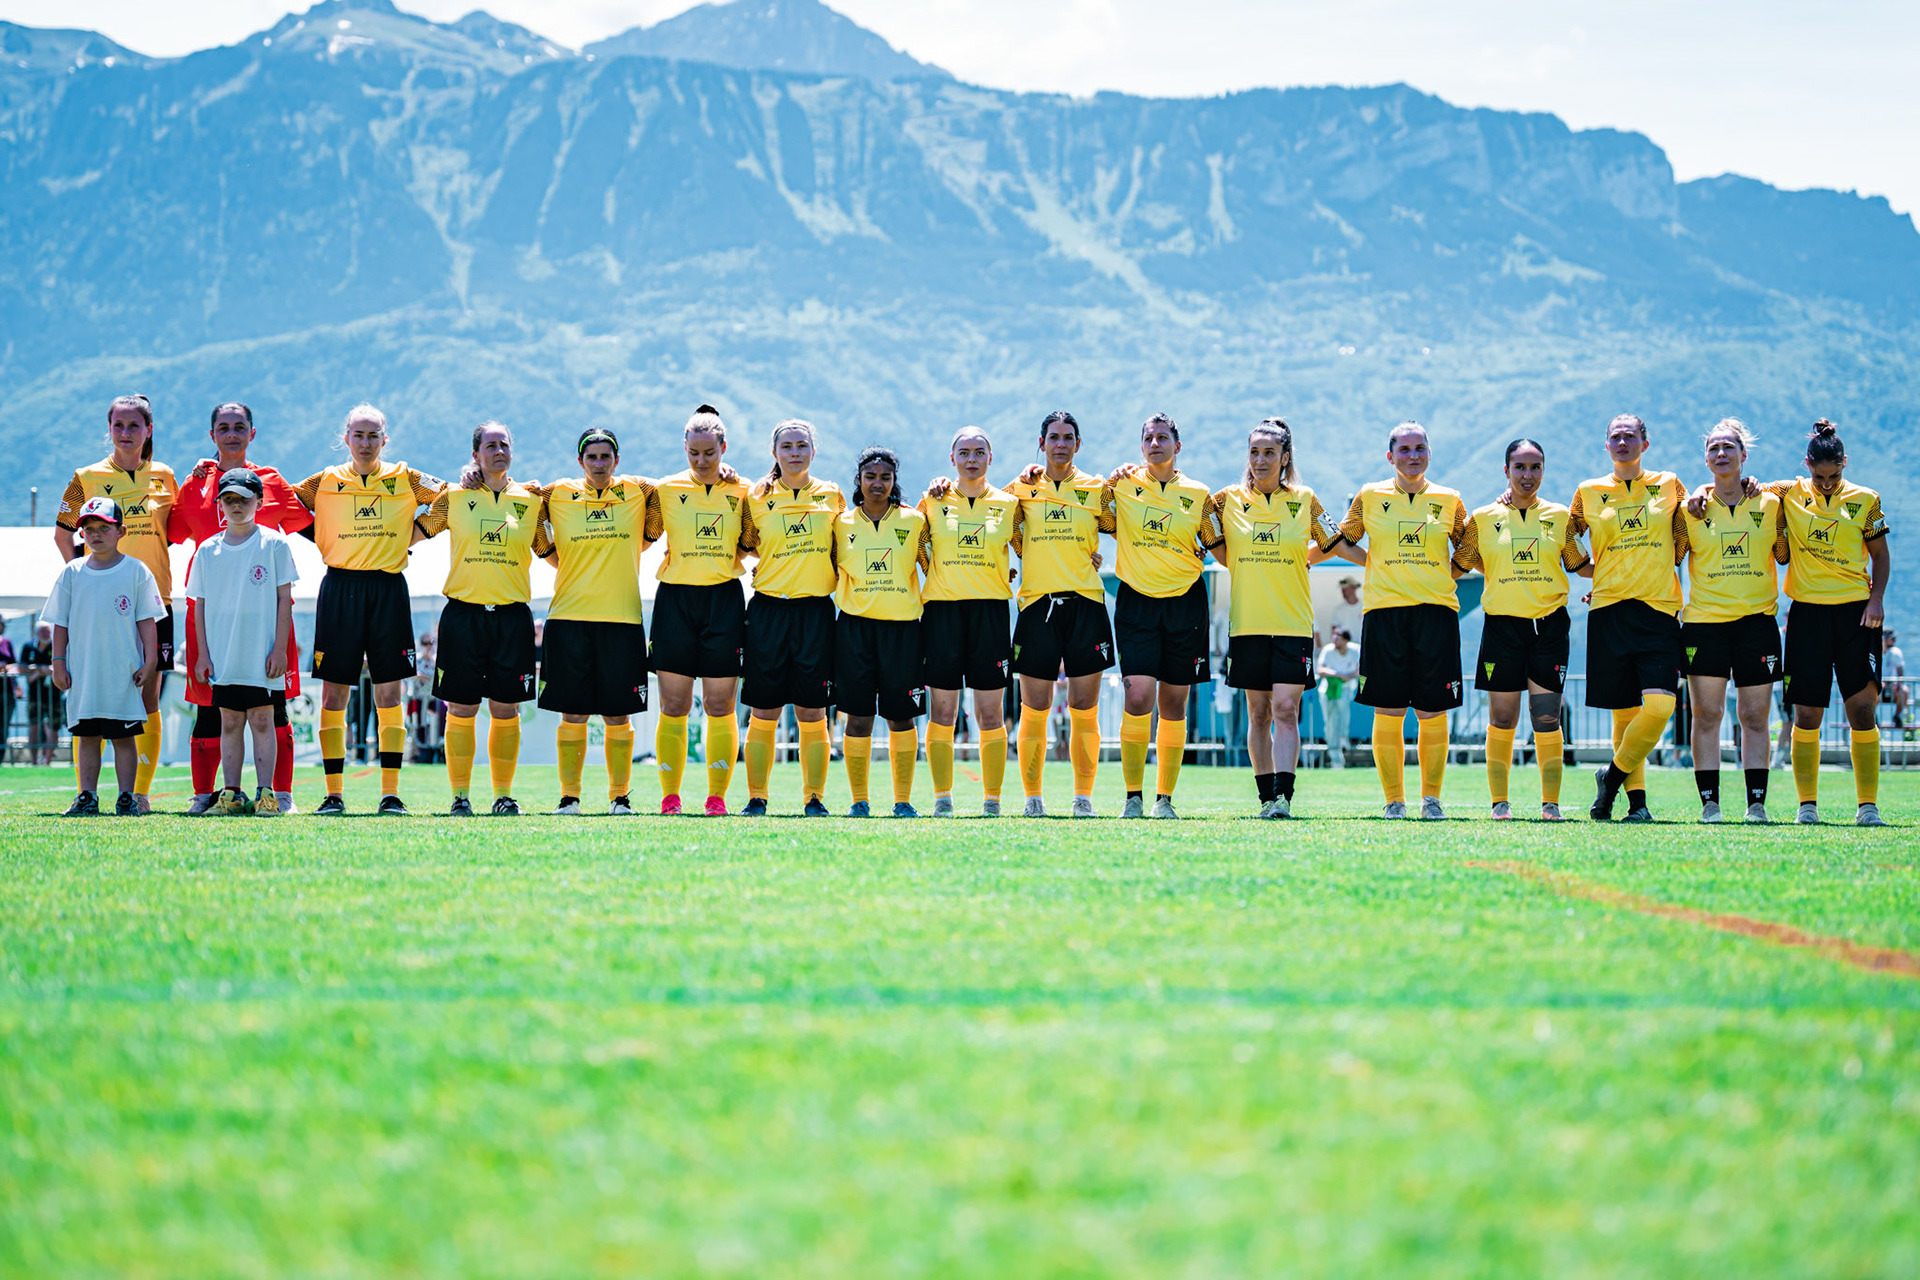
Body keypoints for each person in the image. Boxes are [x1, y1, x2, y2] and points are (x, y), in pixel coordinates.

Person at [1699, 420, 1890, 825]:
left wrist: (1876, 600)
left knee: (1862, 711)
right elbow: (1732, 486)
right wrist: (1701, 491)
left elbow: (1880, 555)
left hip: (1856, 613)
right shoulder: (1786, 491)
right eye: (1818, 475)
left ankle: (1868, 806)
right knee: (1806, 715)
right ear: (1806, 466)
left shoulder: (1866, 499)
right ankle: (1807, 806)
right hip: (1805, 614)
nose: (1824, 483)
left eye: (1833, 475)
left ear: (1844, 464)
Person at [294, 404, 447, 815]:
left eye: (373, 435)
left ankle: (391, 793)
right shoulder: (325, 481)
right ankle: (333, 794)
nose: (365, 443)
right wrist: (323, 537)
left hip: (388, 588)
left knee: (389, 692)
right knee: (333, 695)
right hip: (339, 586)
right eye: (358, 435)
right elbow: (287, 505)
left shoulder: (406, 477)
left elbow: (450, 500)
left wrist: (412, 536)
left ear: (385, 440)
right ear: (345, 439)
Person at [168, 402, 313, 815]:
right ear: (211, 434)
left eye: (239, 427)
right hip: (210, 615)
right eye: (223, 427)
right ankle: (208, 794)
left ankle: (278, 795)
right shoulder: (193, 484)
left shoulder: (271, 481)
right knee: (210, 708)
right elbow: (164, 532)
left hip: (266, 619)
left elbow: (316, 527)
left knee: (274, 711)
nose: (231, 434)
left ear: (253, 433)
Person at [1325, 421, 1474, 819]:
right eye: (1404, 449)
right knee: (1387, 710)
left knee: (1432, 711)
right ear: (1390, 457)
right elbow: (1342, 538)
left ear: (1429, 453)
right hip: (1384, 613)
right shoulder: (1370, 496)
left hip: (1436, 613)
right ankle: (1394, 800)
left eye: (1420, 448)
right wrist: (1371, 560)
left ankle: (1431, 799)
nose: (1413, 455)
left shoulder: (1450, 500)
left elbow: (1472, 544)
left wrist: (1448, 573)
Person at [1084, 413, 1218, 820]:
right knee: (1139, 696)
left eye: (1163, 438)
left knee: (1175, 704)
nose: (1155, 443)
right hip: (1136, 602)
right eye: (1148, 438)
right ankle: (1133, 797)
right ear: (1140, 447)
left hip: (1186, 602)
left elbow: (1215, 540)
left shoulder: (1199, 493)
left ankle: (1164, 799)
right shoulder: (1123, 484)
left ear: (1178, 446)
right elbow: (1092, 516)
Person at [1205, 418, 1339, 817]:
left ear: (1285, 458)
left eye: (1269, 453)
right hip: (1247, 623)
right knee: (1258, 712)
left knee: (1285, 709)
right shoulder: (1225, 499)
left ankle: (1283, 797)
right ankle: (1265, 797)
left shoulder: (1304, 499)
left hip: (1293, 623)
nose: (1260, 460)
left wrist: (1306, 558)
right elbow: (1200, 529)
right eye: (1254, 452)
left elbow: (1332, 541)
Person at [1456, 439, 1591, 821]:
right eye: (1520, 467)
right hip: (1502, 628)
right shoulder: (1483, 518)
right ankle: (1500, 803)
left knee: (1547, 717)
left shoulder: (1561, 517)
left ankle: (1551, 805)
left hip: (1549, 627)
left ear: (1544, 470)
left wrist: (1620, 580)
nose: (1527, 475)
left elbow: (1580, 565)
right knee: (1502, 719)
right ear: (1506, 471)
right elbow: (1458, 565)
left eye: (1535, 467)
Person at [55, 394, 177, 811]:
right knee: (88, 700)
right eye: (118, 425)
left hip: (156, 601)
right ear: (109, 430)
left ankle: (137, 794)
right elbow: (61, 534)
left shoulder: (166, 475)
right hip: (98, 610)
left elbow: (176, 531)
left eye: (133, 426)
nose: (125, 433)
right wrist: (88, 582)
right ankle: (86, 793)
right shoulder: (83, 477)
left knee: (146, 701)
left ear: (149, 430)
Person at [417, 422, 544, 817]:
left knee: (506, 710)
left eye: (504, 444)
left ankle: (503, 795)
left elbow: (550, 549)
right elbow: (415, 532)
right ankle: (460, 797)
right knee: (461, 709)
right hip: (463, 615)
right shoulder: (454, 495)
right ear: (475, 455)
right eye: (490, 445)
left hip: (512, 616)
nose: (498, 450)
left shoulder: (533, 499)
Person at [534, 428, 658, 816]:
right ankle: (569, 797)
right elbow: (518, 501)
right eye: (592, 457)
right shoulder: (557, 493)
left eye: (607, 457)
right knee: (573, 713)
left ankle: (619, 798)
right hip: (569, 617)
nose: (600, 464)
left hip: (621, 619)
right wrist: (555, 557)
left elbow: (674, 488)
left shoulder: (638, 490)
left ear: (617, 460)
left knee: (617, 714)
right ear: (580, 461)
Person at [1572, 413, 1689, 823]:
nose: (1623, 443)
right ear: (1607, 445)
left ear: (1645, 443)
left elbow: (1691, 521)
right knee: (1623, 713)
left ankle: (1611, 776)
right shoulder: (1587, 491)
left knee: (1659, 706)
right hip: (1608, 610)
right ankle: (1634, 805)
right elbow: (1563, 534)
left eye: (1631, 436)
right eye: (1616, 437)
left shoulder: (1670, 483)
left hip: (1658, 609)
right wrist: (1592, 570)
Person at [1677, 419, 1788, 824]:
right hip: (1704, 623)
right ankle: (1710, 804)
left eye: (1729, 447)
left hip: (1756, 624)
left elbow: (1786, 551)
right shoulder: (1689, 509)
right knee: (1707, 715)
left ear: (1744, 456)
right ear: (1705, 459)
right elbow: (1661, 556)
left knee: (1755, 717)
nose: (1721, 454)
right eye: (1714, 448)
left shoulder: (1771, 502)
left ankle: (1756, 804)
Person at [1006, 411, 1116, 818]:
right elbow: (985, 512)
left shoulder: (1097, 488)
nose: (1061, 444)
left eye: (1068, 437)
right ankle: (1032, 797)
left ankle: (1083, 798)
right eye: (1053, 437)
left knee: (1083, 708)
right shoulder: (1020, 487)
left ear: (1078, 444)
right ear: (1041, 443)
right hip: (1037, 605)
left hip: (1087, 602)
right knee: (1033, 707)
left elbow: (1129, 528)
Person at [739, 420, 845, 817]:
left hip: (815, 611)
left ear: (813, 452)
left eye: (802, 446)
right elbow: (746, 546)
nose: (795, 453)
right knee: (764, 709)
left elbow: (847, 544)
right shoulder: (756, 495)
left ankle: (814, 797)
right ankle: (757, 797)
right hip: (768, 609)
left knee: (812, 710)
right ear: (775, 454)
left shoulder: (832, 495)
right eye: (787, 446)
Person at [649, 406, 751, 816]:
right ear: (684, 449)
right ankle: (670, 797)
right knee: (673, 705)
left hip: (723, 599)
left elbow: (754, 538)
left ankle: (716, 797)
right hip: (675, 600)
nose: (702, 461)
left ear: (724, 448)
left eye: (710, 452)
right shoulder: (663, 489)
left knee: (719, 705)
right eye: (694, 453)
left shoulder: (744, 489)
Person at [917, 427, 1021, 816]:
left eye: (979, 452)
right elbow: (917, 550)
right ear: (952, 459)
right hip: (942, 612)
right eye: (964, 452)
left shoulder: (1010, 504)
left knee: (990, 713)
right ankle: (942, 798)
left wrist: (1089, 558)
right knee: (942, 712)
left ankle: (992, 801)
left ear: (990, 458)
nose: (972, 459)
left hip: (990, 612)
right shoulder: (933, 500)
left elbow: (1034, 545)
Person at [186, 470, 299, 816]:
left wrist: (280, 649)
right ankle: (232, 794)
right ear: (219, 504)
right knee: (230, 723)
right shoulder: (207, 550)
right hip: (224, 656)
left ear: (259, 502)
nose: (236, 506)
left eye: (244, 499)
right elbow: (199, 605)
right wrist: (203, 655)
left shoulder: (274, 544)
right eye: (229, 500)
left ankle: (267, 795)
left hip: (262, 656)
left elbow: (284, 599)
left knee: (264, 721)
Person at [44, 498, 165, 816]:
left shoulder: (136, 570)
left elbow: (147, 621)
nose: (95, 534)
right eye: (89, 529)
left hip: (122, 670)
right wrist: (58, 662)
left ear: (121, 531)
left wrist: (150, 660)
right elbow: (61, 621)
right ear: (81, 534)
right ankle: (87, 795)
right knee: (87, 736)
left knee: (123, 737)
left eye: (103, 528)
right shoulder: (72, 572)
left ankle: (127, 796)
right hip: (84, 671)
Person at [834, 447, 932, 817]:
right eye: (871, 476)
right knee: (858, 717)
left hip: (903, 631)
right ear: (858, 480)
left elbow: (935, 562)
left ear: (895, 481)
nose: (878, 483)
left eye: (885, 477)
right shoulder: (841, 523)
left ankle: (903, 801)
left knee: (901, 717)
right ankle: (859, 800)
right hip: (854, 631)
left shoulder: (914, 521)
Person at [1316, 628, 1360, 767]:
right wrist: (1338, 675)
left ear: (1346, 640)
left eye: (1338, 636)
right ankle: (1333, 750)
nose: (1334, 639)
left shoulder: (1355, 650)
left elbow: (1361, 669)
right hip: (1327, 691)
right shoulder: (1328, 650)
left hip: (1346, 690)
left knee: (1343, 718)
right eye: (1333, 635)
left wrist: (1349, 676)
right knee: (1329, 721)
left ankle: (1342, 744)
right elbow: (1320, 669)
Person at [22, 622, 60, 766]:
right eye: (43, 631)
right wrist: (39, 670)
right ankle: (33, 761)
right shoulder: (28, 646)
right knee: (34, 726)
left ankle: (47, 760)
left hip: (53, 694)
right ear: (37, 632)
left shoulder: (55, 646)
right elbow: (22, 667)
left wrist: (41, 670)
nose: (46, 634)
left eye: (48, 631)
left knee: (53, 727)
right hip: (34, 695)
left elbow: (59, 666)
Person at [1326, 577, 1364, 652]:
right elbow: (1334, 630)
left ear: (1354, 588)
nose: (1343, 591)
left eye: (1345, 588)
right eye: (1342, 589)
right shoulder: (1338, 610)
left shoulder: (1364, 608)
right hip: (1346, 651)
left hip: (1362, 648)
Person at [1886, 630, 1908, 729]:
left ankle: (1897, 716)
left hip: (1892, 686)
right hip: (1879, 684)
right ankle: (1874, 718)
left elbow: (1900, 671)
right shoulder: (1877, 649)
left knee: (1904, 692)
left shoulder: (1896, 652)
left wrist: (1898, 684)